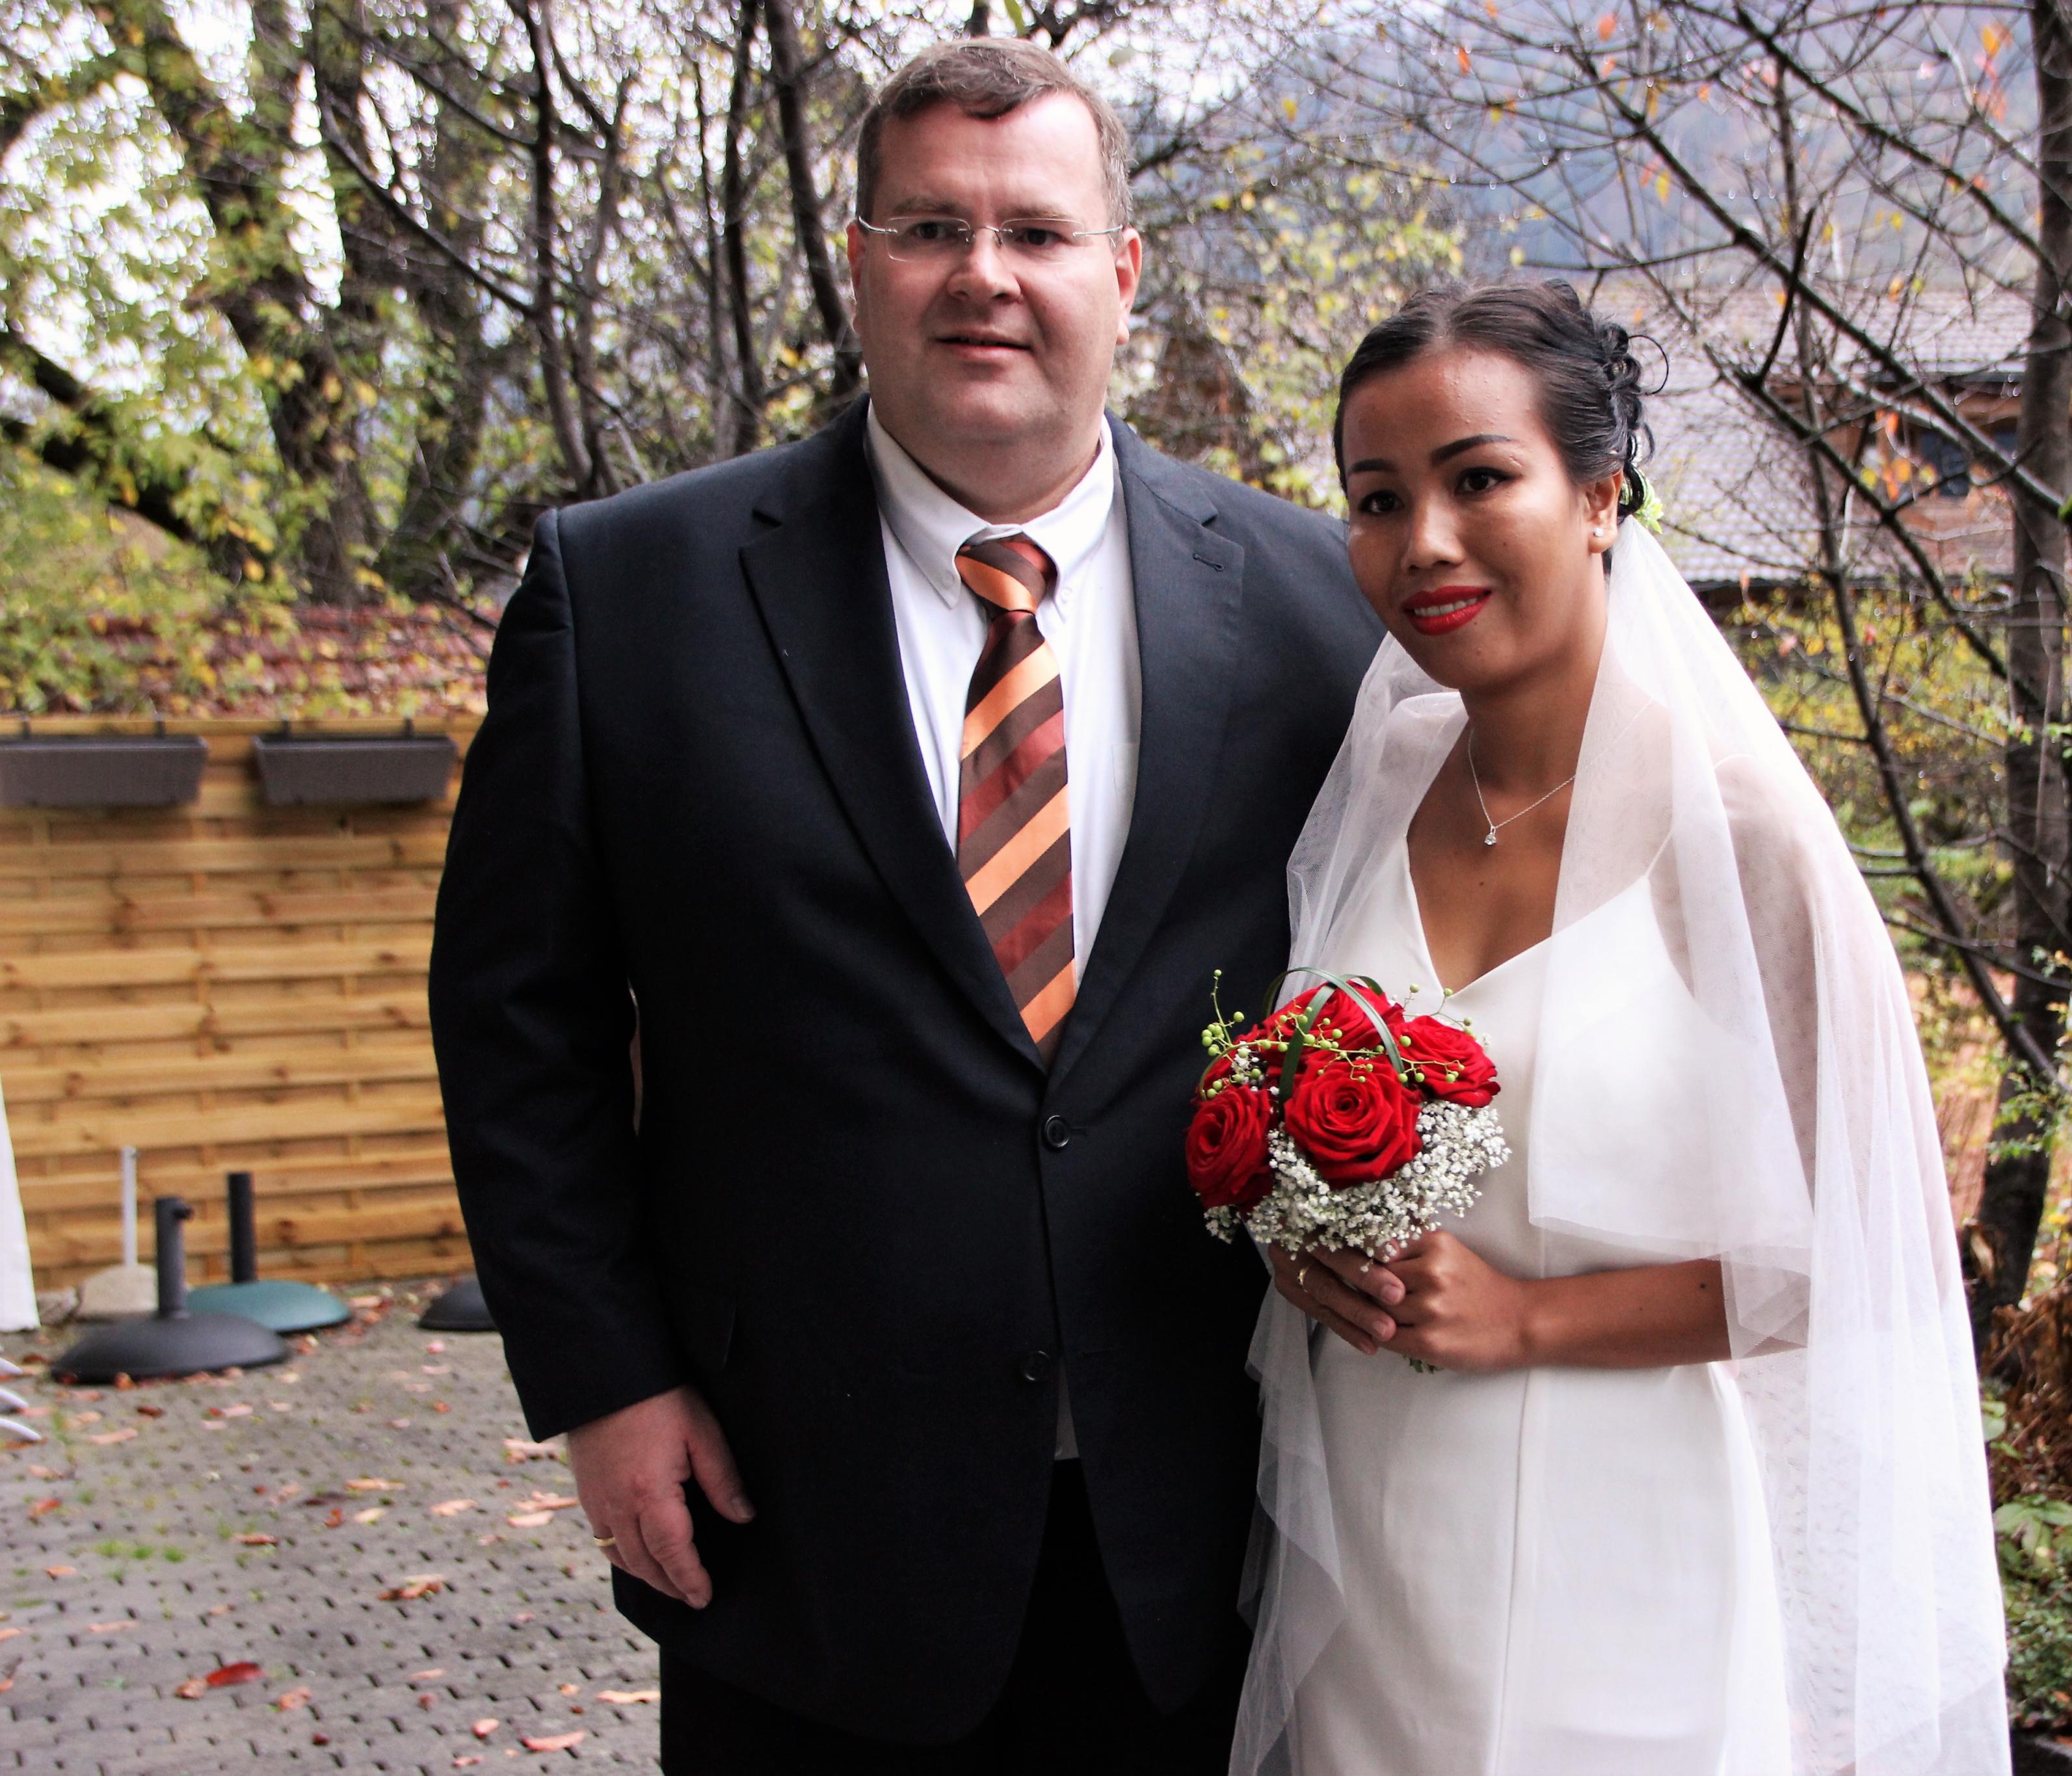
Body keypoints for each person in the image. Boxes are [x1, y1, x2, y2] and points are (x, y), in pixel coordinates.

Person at [428, 38, 1381, 1774]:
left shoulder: (1322, 604)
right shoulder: (626, 594)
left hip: (1212, 1514)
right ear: (860, 262)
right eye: (932, 227)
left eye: (1035, 230)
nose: (982, 275)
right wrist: (604, 1377)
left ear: (1122, 272)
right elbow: (517, 1026)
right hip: (799, 1519)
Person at [1235, 281, 2010, 1775]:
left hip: (1618, 1538)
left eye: (1478, 479)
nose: (1423, 541)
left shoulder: (1733, 833)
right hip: (1372, 1534)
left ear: (1599, 497)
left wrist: (1523, 1318)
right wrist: (1301, 1241)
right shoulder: (1379, 779)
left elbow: (1858, 1257)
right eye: (1377, 499)